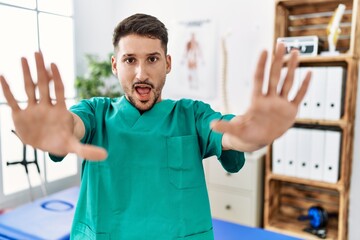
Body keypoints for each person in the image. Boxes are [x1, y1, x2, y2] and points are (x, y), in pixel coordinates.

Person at [0, 13, 310, 240]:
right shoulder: (96, 113)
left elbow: (231, 134)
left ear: (168, 63)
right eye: (130, 60)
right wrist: (56, 130)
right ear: (115, 64)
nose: (141, 74)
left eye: (152, 59)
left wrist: (254, 132)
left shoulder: (191, 115)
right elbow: (72, 126)